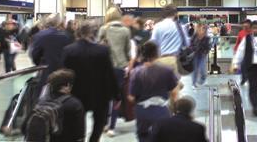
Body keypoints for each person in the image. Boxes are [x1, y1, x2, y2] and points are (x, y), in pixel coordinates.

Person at [62, 20, 119, 142]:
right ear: (93, 33)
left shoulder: (68, 50)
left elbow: (63, 74)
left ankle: (80, 138)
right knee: (99, 122)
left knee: (77, 120)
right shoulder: (102, 51)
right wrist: (117, 95)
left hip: (76, 93)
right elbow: (110, 74)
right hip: (99, 93)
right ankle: (94, 139)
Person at [129, 41, 179, 142]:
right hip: (161, 110)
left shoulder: (136, 72)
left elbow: (131, 97)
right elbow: (174, 92)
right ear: (157, 54)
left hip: (142, 111)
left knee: (143, 137)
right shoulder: (167, 70)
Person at [98, 7, 136, 138]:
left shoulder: (103, 29)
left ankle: (103, 124)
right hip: (120, 68)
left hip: (104, 68)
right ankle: (112, 128)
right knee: (116, 99)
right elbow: (127, 51)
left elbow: (98, 48)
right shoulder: (126, 30)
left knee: (104, 97)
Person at [25, 69, 85, 142]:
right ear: (68, 85)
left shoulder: (41, 102)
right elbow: (79, 134)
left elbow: (24, 128)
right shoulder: (75, 104)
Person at [31, 13, 72, 92]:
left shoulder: (39, 35)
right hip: (61, 71)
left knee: (44, 93)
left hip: (45, 70)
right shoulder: (65, 37)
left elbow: (35, 55)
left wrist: (39, 64)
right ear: (59, 23)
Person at [150, 5, 190, 77]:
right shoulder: (180, 27)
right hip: (175, 60)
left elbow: (152, 44)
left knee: (161, 85)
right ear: (175, 14)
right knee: (174, 85)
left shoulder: (157, 26)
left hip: (160, 60)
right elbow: (187, 44)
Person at [191, 24, 211, 89]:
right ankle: (194, 83)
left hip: (202, 55)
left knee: (202, 69)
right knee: (195, 70)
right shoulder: (194, 36)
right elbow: (191, 45)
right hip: (195, 55)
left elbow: (208, 47)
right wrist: (193, 49)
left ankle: (202, 81)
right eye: (200, 29)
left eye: (203, 29)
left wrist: (206, 52)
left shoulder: (206, 38)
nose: (201, 30)